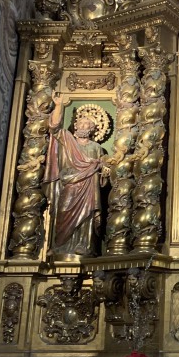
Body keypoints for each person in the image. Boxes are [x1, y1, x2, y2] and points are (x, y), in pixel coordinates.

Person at [43, 96, 108, 257]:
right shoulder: (67, 139)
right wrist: (59, 106)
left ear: (93, 129)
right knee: (63, 210)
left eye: (88, 124)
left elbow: (103, 165)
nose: (84, 125)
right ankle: (59, 246)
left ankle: (85, 246)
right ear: (76, 125)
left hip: (89, 187)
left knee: (87, 216)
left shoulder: (96, 147)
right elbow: (54, 128)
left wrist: (104, 169)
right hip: (70, 184)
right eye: (82, 123)